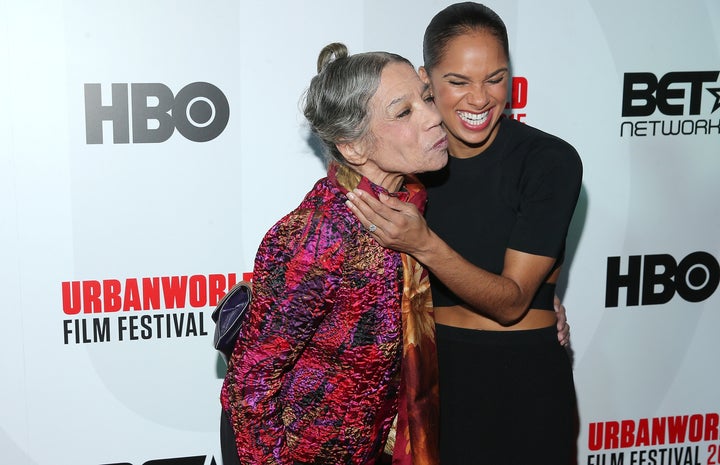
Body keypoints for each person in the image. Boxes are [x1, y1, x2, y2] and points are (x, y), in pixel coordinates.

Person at [345, 3, 583, 464]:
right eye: (458, 82)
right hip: (426, 380)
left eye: (495, 78)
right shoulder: (406, 166)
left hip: (524, 380)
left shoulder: (548, 161)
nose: (480, 99)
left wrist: (424, 244)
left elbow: (513, 302)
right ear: (425, 80)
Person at [220, 42, 448, 465]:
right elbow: (250, 382)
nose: (435, 117)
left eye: (427, 97)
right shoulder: (317, 235)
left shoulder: (408, 208)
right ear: (354, 147)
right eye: (404, 112)